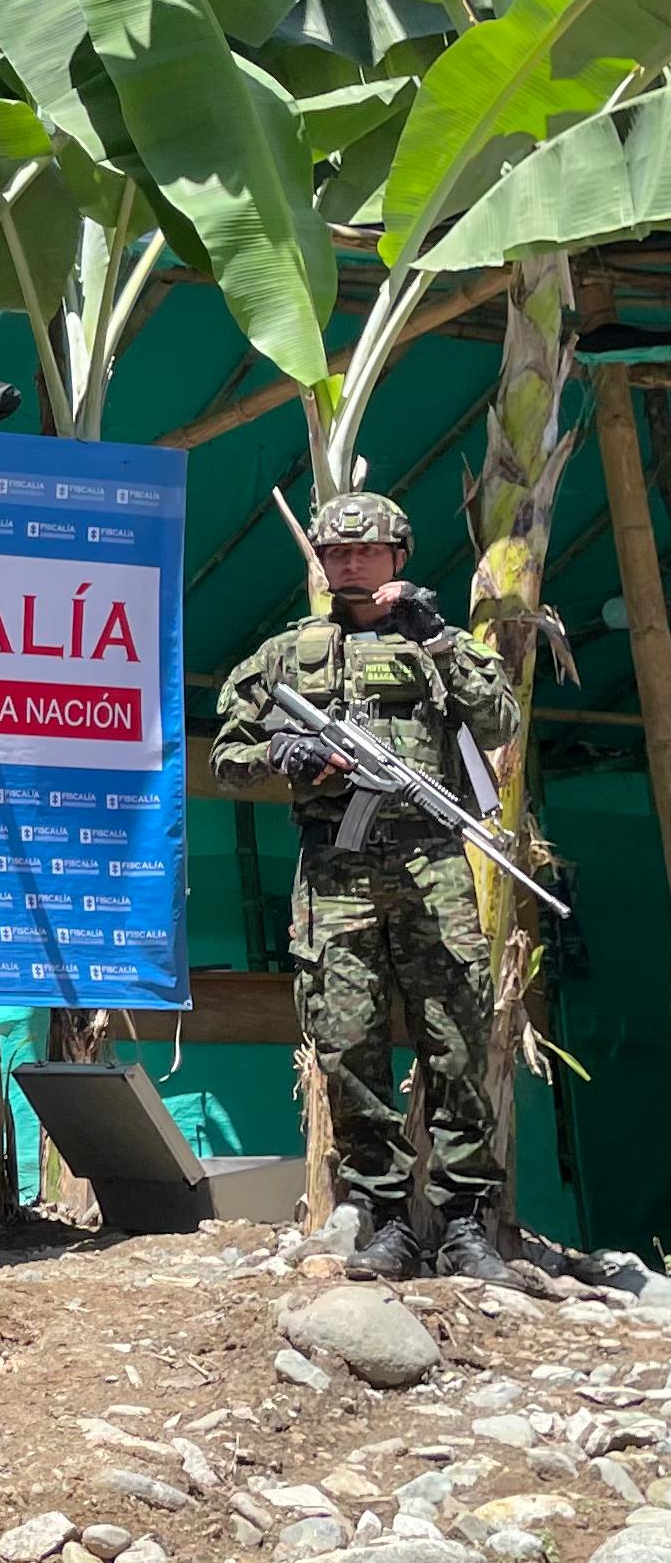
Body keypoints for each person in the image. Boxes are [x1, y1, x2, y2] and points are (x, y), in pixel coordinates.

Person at [212, 491, 525, 1284]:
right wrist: (280, 759)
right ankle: (385, 1218)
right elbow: (225, 758)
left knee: (455, 1044)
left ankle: (462, 1225)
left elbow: (500, 723)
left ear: (398, 557)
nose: (351, 563)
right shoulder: (284, 657)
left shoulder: (438, 647)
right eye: (337, 553)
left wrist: (441, 641)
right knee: (347, 1047)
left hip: (434, 867)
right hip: (336, 873)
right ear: (321, 561)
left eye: (368, 551)